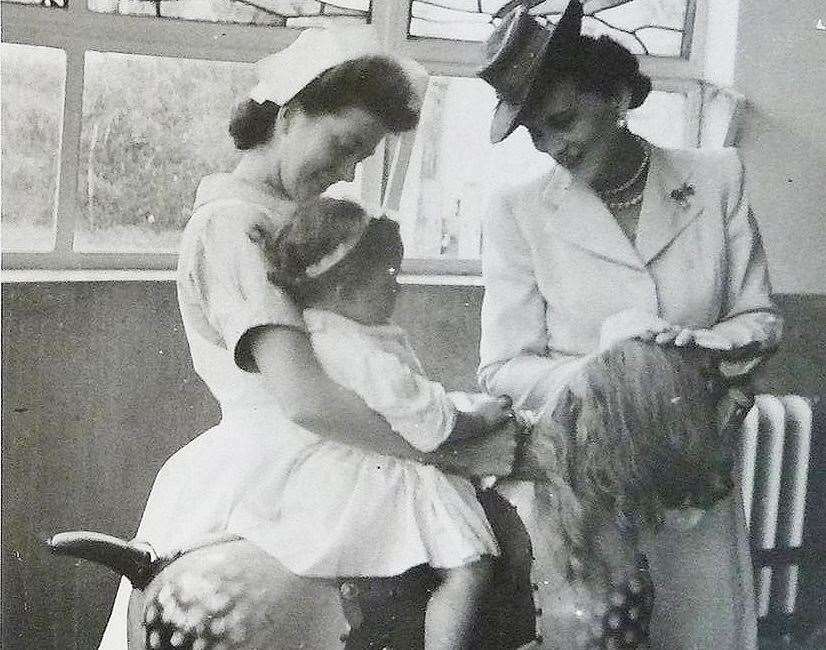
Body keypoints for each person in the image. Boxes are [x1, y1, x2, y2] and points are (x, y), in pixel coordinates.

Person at [99, 26, 519, 649]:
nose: (346, 170)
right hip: (286, 456)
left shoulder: (293, 217)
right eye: (342, 145)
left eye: (360, 158)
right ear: (291, 113)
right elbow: (305, 398)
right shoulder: (234, 227)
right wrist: (445, 452)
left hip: (332, 446)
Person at [476, 2, 782, 647]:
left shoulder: (715, 178)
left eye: (564, 122)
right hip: (581, 481)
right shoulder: (518, 212)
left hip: (691, 465)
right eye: (538, 135)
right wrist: (614, 367)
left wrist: (699, 346)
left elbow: (760, 318)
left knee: (699, 630)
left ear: (617, 96)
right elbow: (503, 368)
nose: (555, 146)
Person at [240, 196, 511, 648]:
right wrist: (481, 416)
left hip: (323, 468)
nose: (397, 289)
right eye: (389, 276)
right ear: (347, 287)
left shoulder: (318, 330)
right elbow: (429, 423)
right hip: (374, 471)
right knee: (469, 567)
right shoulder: (361, 351)